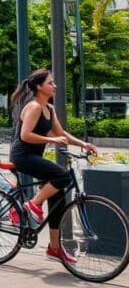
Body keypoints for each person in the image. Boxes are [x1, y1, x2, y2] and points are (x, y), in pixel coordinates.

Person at [10, 69, 96, 265]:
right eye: (51, 83)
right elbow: (25, 135)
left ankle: (54, 249)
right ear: (39, 87)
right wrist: (52, 139)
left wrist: (83, 144)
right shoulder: (33, 107)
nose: (55, 86)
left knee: (58, 197)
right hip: (23, 156)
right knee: (63, 176)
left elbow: (61, 133)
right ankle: (32, 204)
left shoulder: (49, 108)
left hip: (34, 156)